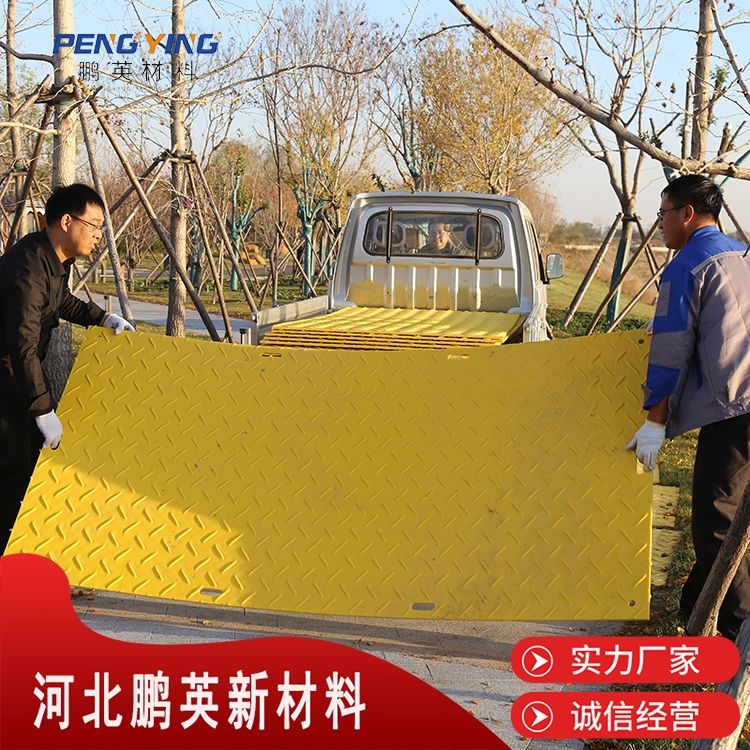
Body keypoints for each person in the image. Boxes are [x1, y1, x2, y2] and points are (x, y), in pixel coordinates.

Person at [625, 174, 750, 640]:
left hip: (737, 410)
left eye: (662, 215)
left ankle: (738, 635)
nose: (659, 225)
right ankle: (696, 605)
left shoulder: (687, 267)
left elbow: (670, 351)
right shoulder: (741, 255)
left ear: (686, 214)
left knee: (718, 520)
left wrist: (654, 422)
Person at [0, 183, 135, 553]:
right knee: (12, 471)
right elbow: (23, 345)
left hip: (17, 377)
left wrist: (103, 318)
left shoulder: (51, 259)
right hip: (6, 377)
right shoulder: (28, 270)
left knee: (27, 466)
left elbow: (60, 301)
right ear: (66, 221)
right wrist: (42, 409)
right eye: (93, 225)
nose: (98, 234)